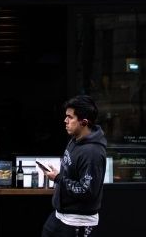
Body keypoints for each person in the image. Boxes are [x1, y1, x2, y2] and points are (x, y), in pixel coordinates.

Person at [40, 95, 108, 237]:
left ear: (84, 122)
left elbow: (87, 191)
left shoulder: (92, 153)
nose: (65, 121)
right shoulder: (75, 140)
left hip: (78, 222)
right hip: (60, 215)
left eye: (70, 117)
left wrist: (58, 178)